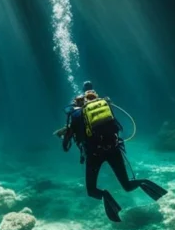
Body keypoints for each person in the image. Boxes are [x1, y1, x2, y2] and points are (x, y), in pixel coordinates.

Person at [58, 81, 166, 222]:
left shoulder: (75, 115)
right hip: (114, 150)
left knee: (92, 191)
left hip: (94, 155)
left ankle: (106, 197)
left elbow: (66, 146)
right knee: (127, 185)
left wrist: (66, 133)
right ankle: (146, 183)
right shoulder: (104, 107)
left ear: (76, 103)